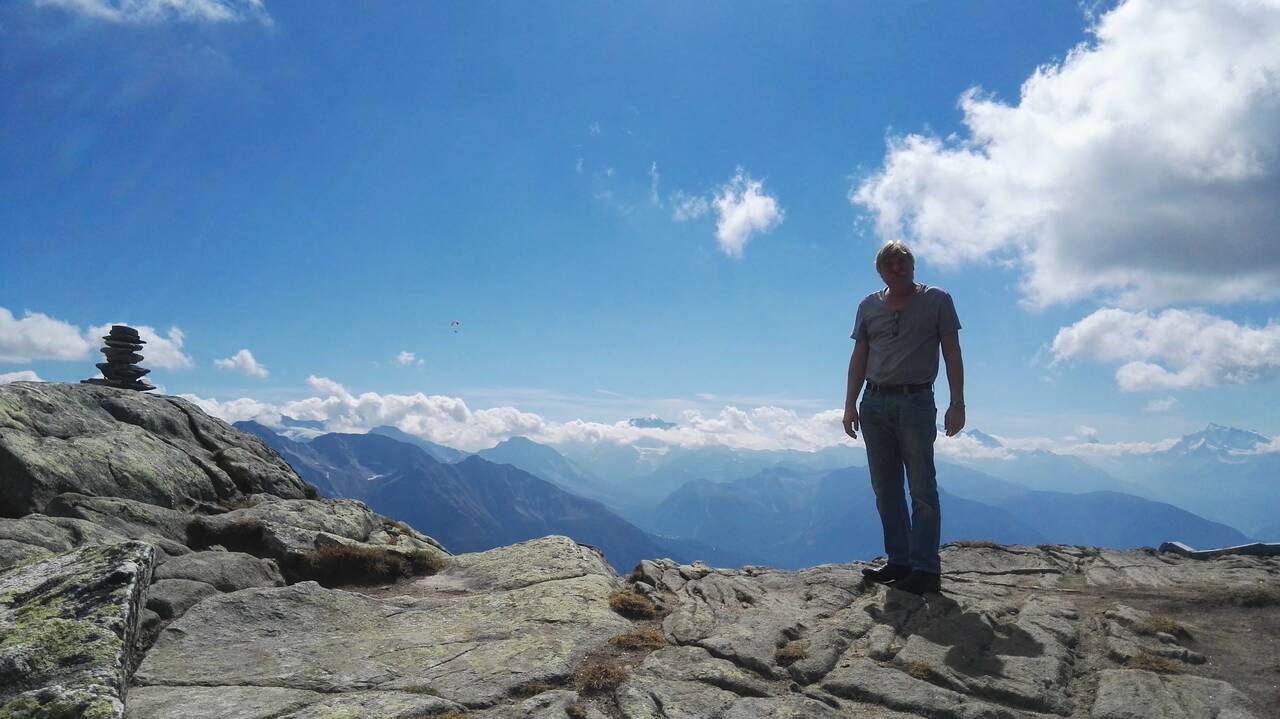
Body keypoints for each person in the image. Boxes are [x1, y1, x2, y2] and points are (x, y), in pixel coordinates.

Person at [843, 241, 964, 596]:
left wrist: (957, 402)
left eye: (902, 262)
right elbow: (859, 356)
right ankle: (900, 561)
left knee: (922, 487)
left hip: (916, 401)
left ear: (913, 265)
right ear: (880, 271)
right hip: (874, 401)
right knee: (885, 488)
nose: (896, 269)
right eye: (889, 264)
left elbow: (952, 351)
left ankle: (925, 568)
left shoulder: (937, 300)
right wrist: (850, 404)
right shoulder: (868, 306)